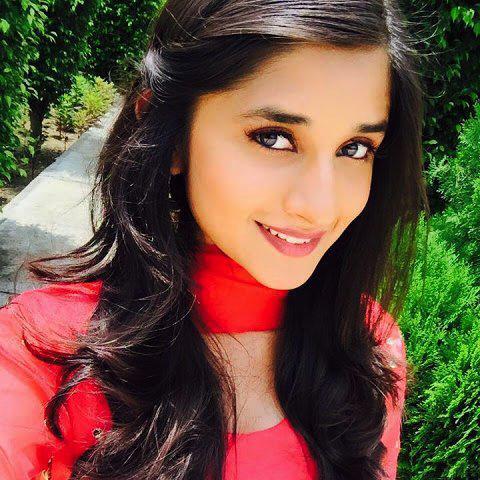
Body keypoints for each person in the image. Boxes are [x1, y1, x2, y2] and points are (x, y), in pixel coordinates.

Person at [0, 0, 429, 478]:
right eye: (274, 137)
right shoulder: (45, 349)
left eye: (355, 148)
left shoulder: (369, 344)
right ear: (172, 135)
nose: (320, 206)